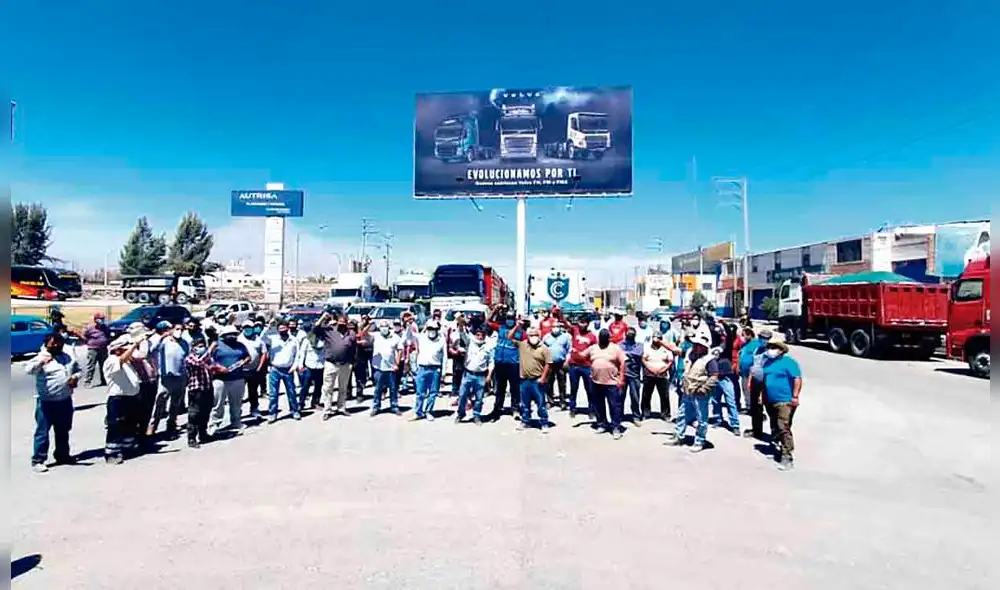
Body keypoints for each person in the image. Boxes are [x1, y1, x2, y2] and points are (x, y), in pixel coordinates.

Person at [25, 333, 81, 472]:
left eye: (59, 343)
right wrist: (41, 362)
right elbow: (28, 370)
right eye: (53, 343)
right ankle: (38, 460)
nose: (56, 345)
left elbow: (78, 370)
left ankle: (62, 455)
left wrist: (75, 377)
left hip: (64, 400)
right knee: (42, 432)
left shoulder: (67, 357)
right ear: (47, 344)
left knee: (63, 430)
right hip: (46, 402)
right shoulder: (41, 357)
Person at [669, 332, 719, 452]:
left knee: (702, 419)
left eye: (698, 345)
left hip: (700, 393)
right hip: (688, 391)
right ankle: (678, 436)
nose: (695, 346)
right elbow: (676, 350)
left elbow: (714, 376)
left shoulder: (709, 360)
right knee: (682, 415)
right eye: (695, 344)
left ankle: (699, 441)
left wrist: (704, 389)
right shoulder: (691, 355)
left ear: (704, 347)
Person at [761, 339, 802, 470]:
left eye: (774, 347)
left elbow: (797, 379)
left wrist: (795, 396)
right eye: (770, 347)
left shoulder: (789, 363)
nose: (771, 350)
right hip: (770, 399)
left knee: (783, 426)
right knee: (774, 425)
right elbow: (765, 380)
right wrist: (762, 396)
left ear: (781, 350)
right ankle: (777, 447)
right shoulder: (767, 362)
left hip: (785, 400)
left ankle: (787, 456)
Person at [103, 333, 144, 463]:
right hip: (118, 399)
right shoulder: (112, 360)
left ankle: (128, 448)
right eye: (125, 348)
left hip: (130, 398)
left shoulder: (127, 362)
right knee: (116, 425)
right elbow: (120, 360)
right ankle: (112, 453)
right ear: (118, 349)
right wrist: (134, 345)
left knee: (130, 424)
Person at [147, 321, 189, 437]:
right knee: (160, 402)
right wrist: (161, 337)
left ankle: (171, 424)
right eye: (177, 329)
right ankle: (152, 425)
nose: (179, 331)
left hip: (180, 377)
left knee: (176, 403)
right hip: (166, 378)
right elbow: (152, 351)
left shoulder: (185, 343)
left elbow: (187, 359)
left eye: (181, 329)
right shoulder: (164, 342)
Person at [583, 329, 626, 439]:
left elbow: (623, 363)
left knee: (614, 406)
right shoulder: (594, 347)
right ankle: (602, 424)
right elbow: (583, 356)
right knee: (598, 404)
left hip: (611, 382)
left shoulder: (615, 348)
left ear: (608, 338)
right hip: (596, 381)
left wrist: (621, 379)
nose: (602, 340)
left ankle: (616, 427)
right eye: (600, 338)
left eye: (604, 338)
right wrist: (574, 352)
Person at [208, 325, 250, 435]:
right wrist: (217, 367)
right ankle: (214, 424)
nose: (232, 336)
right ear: (224, 335)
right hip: (220, 379)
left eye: (234, 334)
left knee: (236, 403)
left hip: (237, 378)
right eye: (229, 334)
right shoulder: (217, 345)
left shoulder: (240, 345)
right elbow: (208, 359)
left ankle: (236, 422)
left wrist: (243, 361)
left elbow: (247, 356)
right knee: (218, 404)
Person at [314, 312, 356, 420]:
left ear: (347, 323)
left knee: (343, 388)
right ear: (337, 321)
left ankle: (341, 408)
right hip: (331, 363)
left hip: (345, 365)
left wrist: (352, 362)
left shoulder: (351, 333)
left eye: (344, 321)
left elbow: (353, 348)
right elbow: (315, 329)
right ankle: (327, 409)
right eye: (340, 321)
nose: (342, 323)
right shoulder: (329, 330)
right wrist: (323, 318)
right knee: (328, 388)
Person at [485, 307, 525, 422]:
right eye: (508, 318)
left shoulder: (520, 332)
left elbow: (525, 346)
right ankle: (497, 409)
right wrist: (495, 310)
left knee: (515, 388)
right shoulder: (500, 328)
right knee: (499, 388)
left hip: (513, 363)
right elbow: (488, 322)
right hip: (500, 362)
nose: (509, 320)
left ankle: (516, 408)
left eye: (511, 318)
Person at [264, 319, 302, 423]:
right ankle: (272, 413)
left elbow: (297, 354)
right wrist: (268, 327)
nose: (282, 330)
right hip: (275, 369)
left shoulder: (294, 340)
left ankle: (294, 410)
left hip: (288, 370)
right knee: (273, 394)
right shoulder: (273, 339)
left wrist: (295, 366)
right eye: (280, 328)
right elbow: (262, 338)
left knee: (291, 392)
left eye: (284, 328)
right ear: (277, 330)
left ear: (288, 328)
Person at [455, 325, 494, 425]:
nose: (480, 337)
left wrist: (489, 376)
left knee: (479, 398)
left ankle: (476, 416)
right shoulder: (470, 342)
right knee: (462, 395)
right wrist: (460, 323)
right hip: (468, 373)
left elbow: (491, 362)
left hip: (481, 375)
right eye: (478, 335)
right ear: (475, 335)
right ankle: (461, 414)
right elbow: (462, 333)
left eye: (482, 335)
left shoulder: (488, 346)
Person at [516, 327, 552, 432]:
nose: (533, 337)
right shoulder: (523, 345)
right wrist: (517, 326)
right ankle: (525, 421)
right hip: (524, 380)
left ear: (539, 336)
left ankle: (544, 422)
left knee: (540, 403)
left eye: (535, 335)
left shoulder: (544, 348)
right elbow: (509, 337)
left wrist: (543, 378)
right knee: (525, 403)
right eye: (531, 335)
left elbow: (548, 364)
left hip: (537, 380)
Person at [184, 337, 217, 448]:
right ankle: (192, 438)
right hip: (196, 389)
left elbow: (211, 365)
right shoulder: (190, 358)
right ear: (193, 348)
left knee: (205, 412)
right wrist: (210, 350)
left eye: (203, 346)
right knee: (194, 414)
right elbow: (199, 363)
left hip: (207, 387)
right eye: (199, 346)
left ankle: (203, 434)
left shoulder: (207, 357)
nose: (201, 348)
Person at [740, 329, 773, 440]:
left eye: (766, 338)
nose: (764, 340)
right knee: (755, 408)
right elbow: (754, 365)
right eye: (762, 337)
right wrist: (750, 379)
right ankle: (756, 431)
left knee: (770, 408)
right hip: (755, 381)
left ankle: (776, 434)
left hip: (766, 383)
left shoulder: (770, 351)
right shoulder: (757, 349)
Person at [412, 320, 446, 421]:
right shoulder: (422, 338)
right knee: (420, 392)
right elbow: (410, 335)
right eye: (430, 329)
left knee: (433, 392)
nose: (432, 331)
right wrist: (409, 323)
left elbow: (445, 356)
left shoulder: (441, 340)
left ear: (437, 330)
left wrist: (444, 372)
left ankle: (428, 411)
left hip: (435, 369)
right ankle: (418, 412)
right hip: (422, 368)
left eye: (434, 329)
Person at [369, 319, 403, 416]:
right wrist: (369, 324)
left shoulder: (395, 337)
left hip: (391, 366)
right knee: (378, 388)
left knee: (393, 388)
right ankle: (376, 407)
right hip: (378, 366)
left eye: (386, 326)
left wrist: (397, 363)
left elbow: (400, 350)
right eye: (382, 326)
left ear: (389, 327)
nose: (384, 328)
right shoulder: (376, 336)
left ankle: (394, 406)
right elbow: (362, 334)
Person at [567, 317, 597, 417]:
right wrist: (559, 313)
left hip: (586, 366)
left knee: (589, 389)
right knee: (573, 388)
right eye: (580, 322)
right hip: (574, 365)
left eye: (584, 322)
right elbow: (565, 323)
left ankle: (591, 409)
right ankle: (572, 408)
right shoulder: (574, 331)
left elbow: (594, 350)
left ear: (588, 324)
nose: (581, 324)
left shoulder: (592, 336)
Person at [238, 320, 268, 420]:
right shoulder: (238, 339)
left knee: (253, 392)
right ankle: (237, 412)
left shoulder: (258, 339)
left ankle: (254, 409)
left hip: (254, 370)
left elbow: (264, 353)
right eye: (245, 327)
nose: (247, 329)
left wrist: (259, 367)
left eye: (249, 327)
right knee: (239, 393)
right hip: (241, 371)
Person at [640, 334, 673, 420]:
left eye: (658, 339)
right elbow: (643, 359)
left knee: (664, 396)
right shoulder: (647, 348)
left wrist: (662, 370)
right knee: (646, 395)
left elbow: (670, 361)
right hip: (649, 375)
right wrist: (650, 368)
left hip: (662, 376)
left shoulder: (666, 349)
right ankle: (645, 413)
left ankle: (665, 414)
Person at [709, 347, 741, 435]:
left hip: (725, 381)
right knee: (715, 401)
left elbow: (728, 372)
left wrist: (718, 373)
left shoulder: (725, 361)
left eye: (717, 353)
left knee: (730, 402)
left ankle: (735, 425)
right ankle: (718, 419)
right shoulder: (711, 362)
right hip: (715, 381)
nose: (716, 355)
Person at [295, 323, 326, 410]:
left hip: (321, 365)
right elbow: (302, 352)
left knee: (318, 386)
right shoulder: (307, 340)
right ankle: (301, 403)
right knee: (305, 386)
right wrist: (300, 365)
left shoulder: (325, 340)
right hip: (309, 365)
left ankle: (315, 402)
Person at [542, 320, 571, 409]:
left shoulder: (565, 337)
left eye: (557, 326)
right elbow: (542, 349)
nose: (555, 328)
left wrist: (567, 361)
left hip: (561, 363)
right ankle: (550, 401)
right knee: (549, 382)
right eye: (554, 327)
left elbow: (569, 350)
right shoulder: (546, 337)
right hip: (549, 363)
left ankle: (562, 401)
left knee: (562, 383)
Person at [619, 327, 644, 426]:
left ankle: (636, 416)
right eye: (628, 334)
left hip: (635, 375)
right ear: (625, 334)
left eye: (632, 334)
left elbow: (637, 354)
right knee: (620, 397)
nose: (630, 335)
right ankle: (619, 416)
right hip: (622, 375)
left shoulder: (639, 345)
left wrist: (625, 355)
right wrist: (629, 356)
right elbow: (619, 355)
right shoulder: (620, 345)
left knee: (635, 397)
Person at [82, 311, 111, 388]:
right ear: (95, 319)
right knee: (91, 366)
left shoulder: (105, 327)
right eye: (100, 319)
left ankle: (104, 380)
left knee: (104, 366)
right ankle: (87, 382)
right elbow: (85, 337)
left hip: (103, 349)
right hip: (93, 349)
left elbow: (108, 335)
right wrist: (89, 343)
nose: (102, 320)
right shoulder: (90, 328)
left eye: (103, 318)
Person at [447, 313, 470, 399]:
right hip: (457, 354)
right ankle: (455, 390)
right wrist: (453, 352)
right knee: (456, 372)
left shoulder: (468, 331)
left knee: (466, 373)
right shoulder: (453, 332)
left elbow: (468, 341)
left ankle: (465, 391)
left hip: (466, 355)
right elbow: (450, 344)